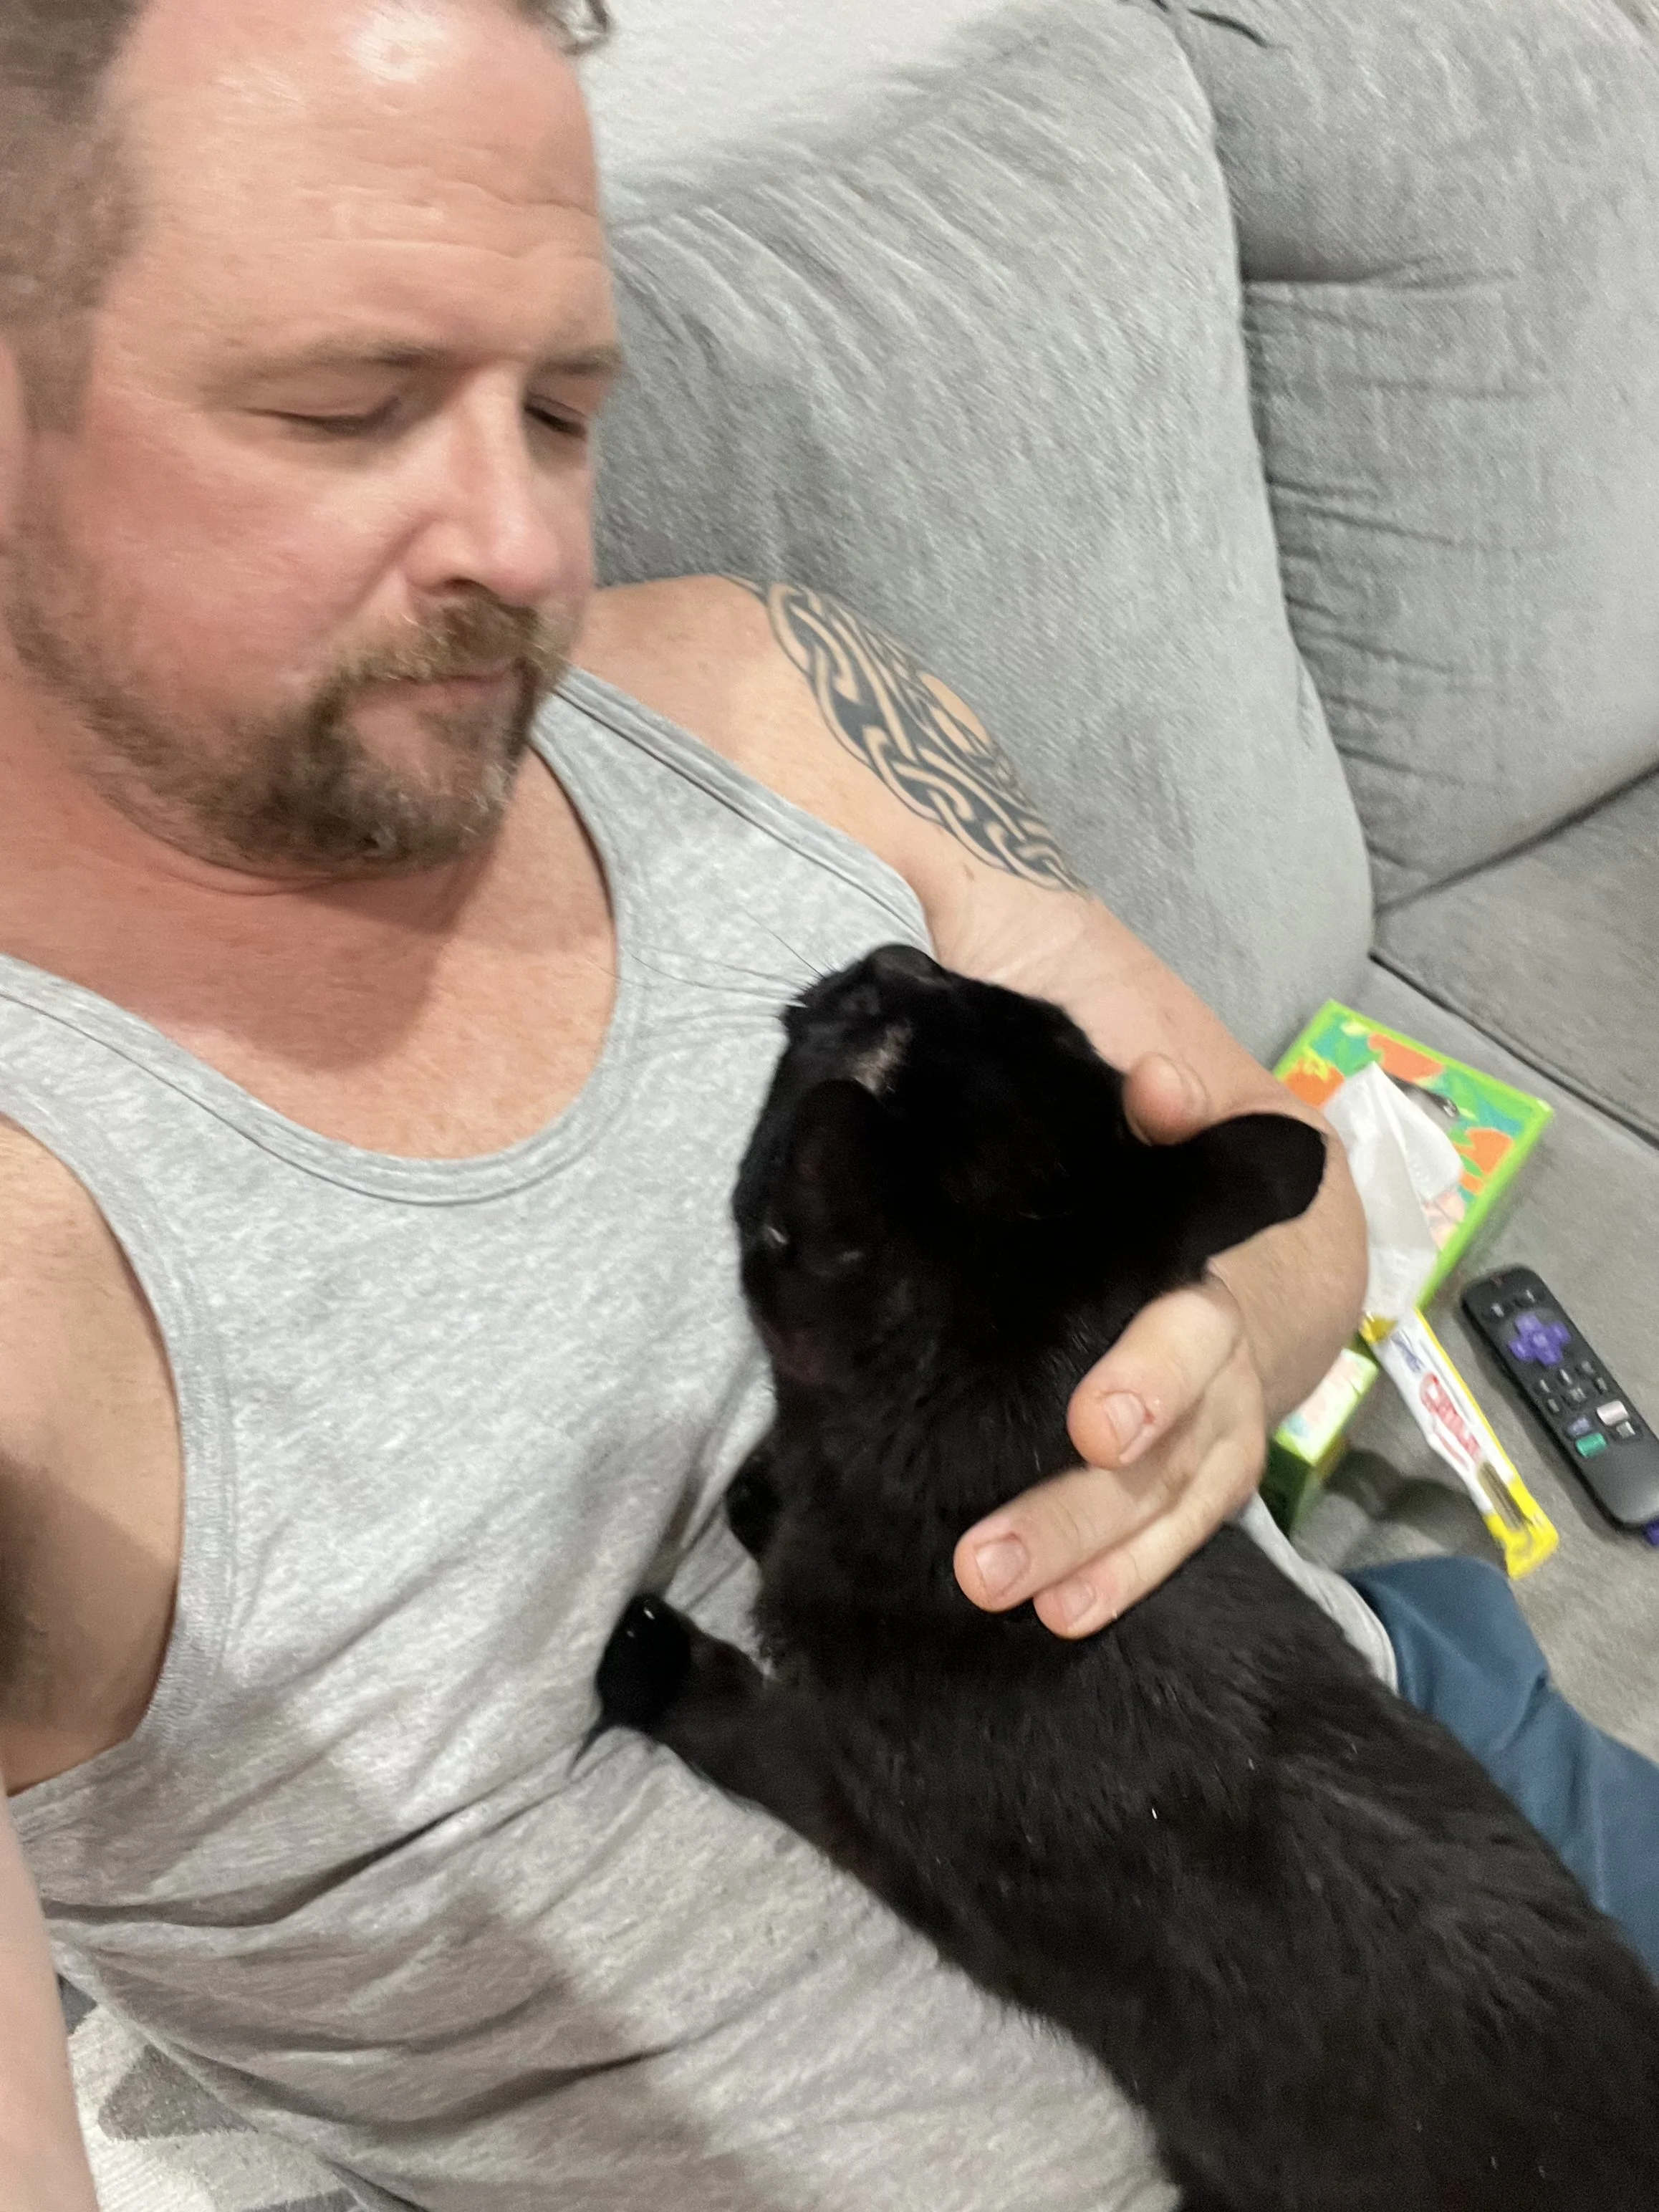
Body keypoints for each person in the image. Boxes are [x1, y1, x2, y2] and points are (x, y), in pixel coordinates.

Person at [0, 4, 1650, 2209]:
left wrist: (1207, 1377)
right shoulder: (38, 1239)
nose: (516, 541)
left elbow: (1274, 1178)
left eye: (562, 404)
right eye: (345, 406)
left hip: (1449, 1810)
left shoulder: (766, 700)